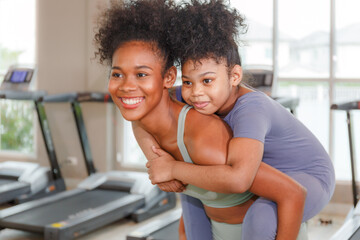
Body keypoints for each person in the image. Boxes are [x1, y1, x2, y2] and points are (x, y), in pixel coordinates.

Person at [94, 1, 308, 239]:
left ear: (168, 77)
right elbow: (139, 122)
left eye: (141, 74)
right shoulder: (149, 124)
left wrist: (172, 168)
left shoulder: (205, 138)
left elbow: (292, 193)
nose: (126, 86)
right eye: (117, 74)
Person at [143, 0, 336, 240]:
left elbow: (240, 179)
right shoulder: (196, 96)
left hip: (308, 175)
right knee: (191, 198)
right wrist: (155, 160)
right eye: (188, 81)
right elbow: (146, 110)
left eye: (207, 80)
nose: (195, 93)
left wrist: (172, 168)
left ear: (234, 76)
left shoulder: (251, 109)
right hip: (264, 174)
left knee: (261, 216)